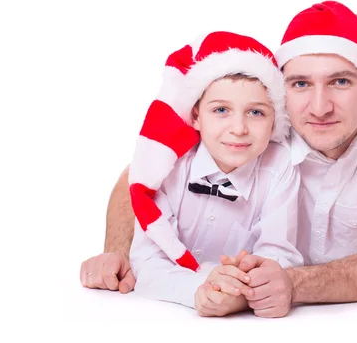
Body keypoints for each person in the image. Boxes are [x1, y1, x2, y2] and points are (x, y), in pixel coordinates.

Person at [80, 0, 357, 318]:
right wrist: (117, 254)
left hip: (340, 315)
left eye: (341, 82)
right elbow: (142, 175)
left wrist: (286, 285)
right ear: (281, 86)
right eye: (300, 83)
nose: (319, 108)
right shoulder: (253, 117)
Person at [109, 30, 303, 316]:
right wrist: (198, 290)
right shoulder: (168, 168)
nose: (239, 128)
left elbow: (279, 254)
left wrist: (239, 289)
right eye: (221, 110)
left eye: (256, 112)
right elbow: (146, 262)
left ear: (275, 120)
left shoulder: (281, 168)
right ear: (196, 116)